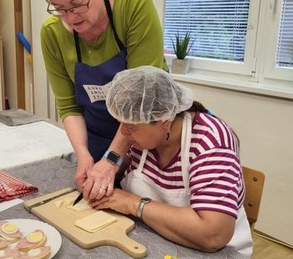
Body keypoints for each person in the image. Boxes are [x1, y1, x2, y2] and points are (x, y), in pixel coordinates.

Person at [90, 66, 253, 256]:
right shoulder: (147, 138)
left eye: (130, 127)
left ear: (165, 121)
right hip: (153, 237)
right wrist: (104, 174)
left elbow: (213, 235)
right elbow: (129, 166)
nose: (123, 133)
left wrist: (132, 203)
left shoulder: (210, 143)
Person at [40, 0, 168, 200]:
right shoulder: (52, 33)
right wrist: (83, 154)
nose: (71, 18)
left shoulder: (133, 5)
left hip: (146, 141)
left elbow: (140, 99)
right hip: (98, 143)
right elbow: (69, 106)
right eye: (60, 9)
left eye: (77, 4)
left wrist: (112, 159)